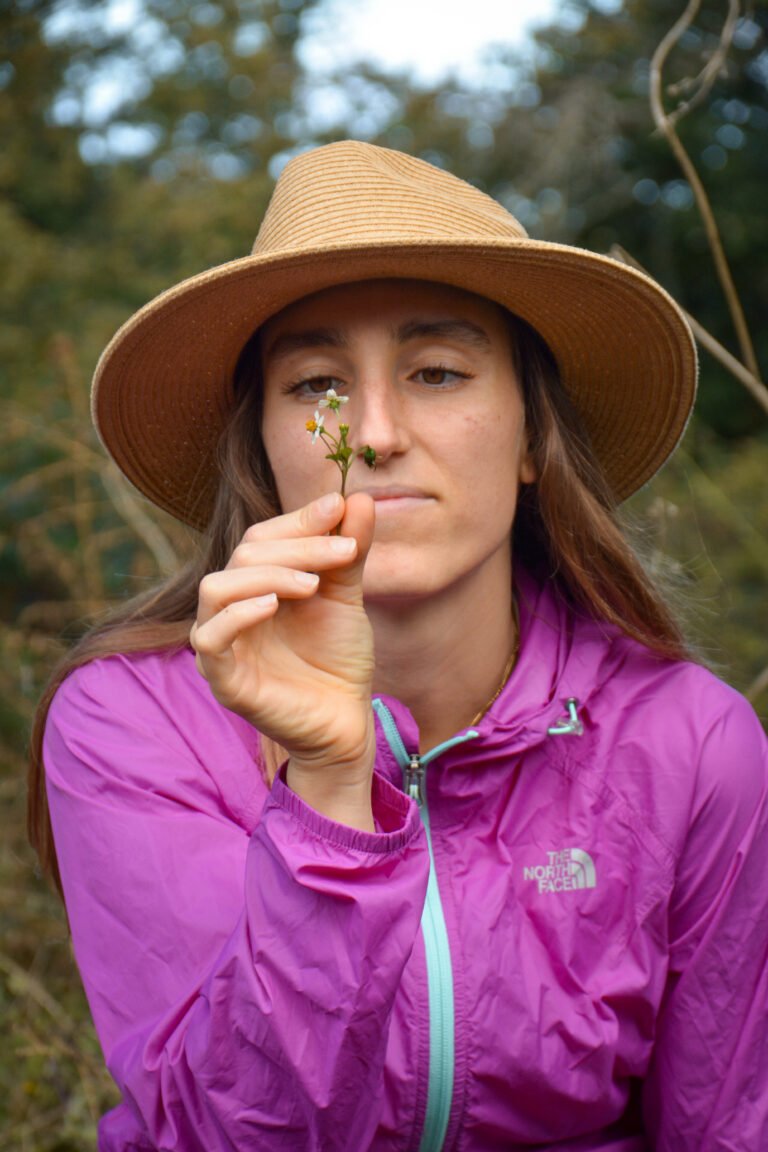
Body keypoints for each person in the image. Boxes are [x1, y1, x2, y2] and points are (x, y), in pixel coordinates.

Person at [29, 141, 768, 1151]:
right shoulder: (132, 719)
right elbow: (218, 1132)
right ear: (264, 449)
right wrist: (331, 792)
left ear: (527, 440)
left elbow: (724, 1124)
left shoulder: (689, 741)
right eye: (316, 386)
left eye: (436, 370)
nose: (373, 434)